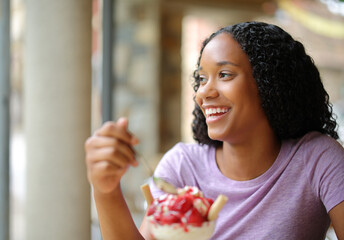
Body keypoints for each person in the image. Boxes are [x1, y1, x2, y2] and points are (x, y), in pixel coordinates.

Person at [85, 21, 344, 240]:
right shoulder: (182, 166)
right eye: (201, 78)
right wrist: (105, 190)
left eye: (225, 74)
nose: (203, 93)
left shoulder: (318, 159)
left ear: (270, 83)